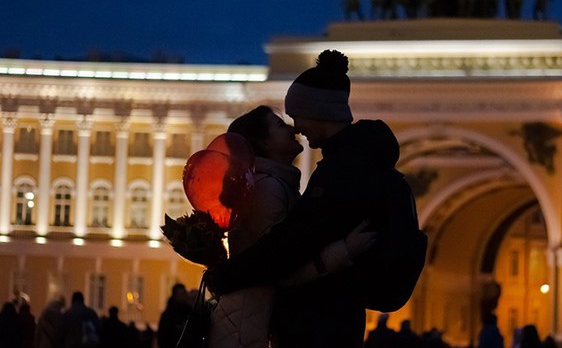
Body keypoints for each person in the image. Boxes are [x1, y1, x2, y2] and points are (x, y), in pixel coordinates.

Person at [208, 50, 425, 348]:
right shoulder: (357, 160)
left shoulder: (345, 168)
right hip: (336, 318)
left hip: (321, 323)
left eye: (297, 116)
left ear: (318, 113)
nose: (296, 127)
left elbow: (293, 243)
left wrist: (226, 275)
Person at [208, 105, 375, 348]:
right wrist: (344, 251)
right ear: (263, 143)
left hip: (253, 322)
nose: (292, 128)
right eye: (279, 125)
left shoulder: (274, 184)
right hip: (250, 328)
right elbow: (278, 264)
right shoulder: (267, 189)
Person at [157, 283, 192, 348]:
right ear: (175, 295)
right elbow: (162, 335)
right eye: (181, 294)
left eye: (184, 293)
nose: (183, 296)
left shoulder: (188, 310)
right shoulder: (168, 314)